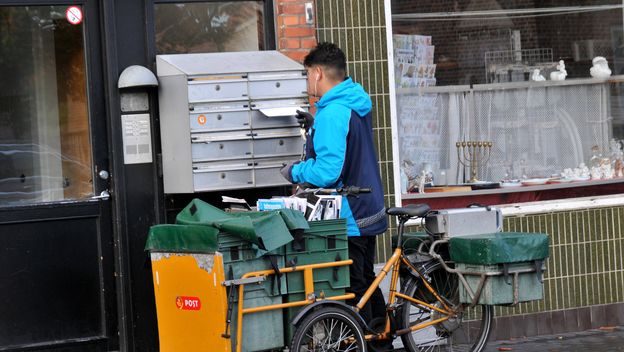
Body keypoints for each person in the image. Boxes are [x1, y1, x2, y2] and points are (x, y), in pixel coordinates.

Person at [280, 42, 389, 333]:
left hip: (350, 212)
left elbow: (328, 172)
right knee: (366, 279)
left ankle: (370, 341)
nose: (307, 82)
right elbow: (348, 144)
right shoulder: (354, 102)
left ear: (317, 73)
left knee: (352, 286)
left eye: (306, 75)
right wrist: (316, 127)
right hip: (369, 205)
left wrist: (294, 171)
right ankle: (381, 339)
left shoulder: (333, 112)